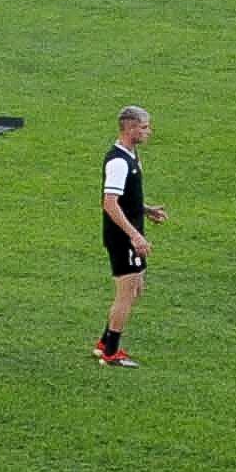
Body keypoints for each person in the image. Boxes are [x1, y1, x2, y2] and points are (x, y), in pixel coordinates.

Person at [95, 106, 163, 366]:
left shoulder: (131, 155)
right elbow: (110, 203)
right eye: (144, 127)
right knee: (127, 293)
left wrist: (146, 210)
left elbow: (126, 198)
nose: (149, 132)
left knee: (136, 290)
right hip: (122, 237)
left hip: (129, 234)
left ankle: (105, 342)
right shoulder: (118, 163)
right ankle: (110, 352)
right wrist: (135, 236)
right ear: (130, 128)